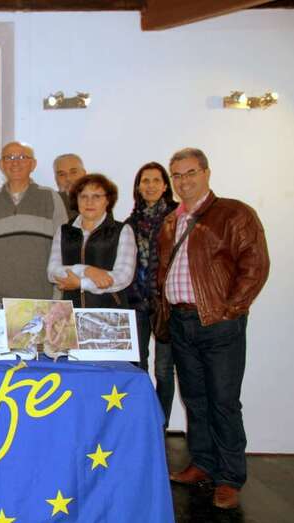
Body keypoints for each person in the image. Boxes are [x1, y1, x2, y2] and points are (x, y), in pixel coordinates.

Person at [160, 148, 269, 510]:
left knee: (223, 402)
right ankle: (203, 463)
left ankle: (229, 477)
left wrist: (231, 310)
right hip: (181, 322)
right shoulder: (172, 220)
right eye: (176, 175)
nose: (183, 181)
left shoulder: (234, 213)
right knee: (195, 400)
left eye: (190, 173)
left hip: (218, 322)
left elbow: (255, 264)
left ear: (206, 173)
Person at [0, 141, 68, 308]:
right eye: (9, 158)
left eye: (22, 157)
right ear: (1, 164)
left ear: (33, 164)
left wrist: (58, 296)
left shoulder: (50, 198)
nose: (15, 162)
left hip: (42, 300)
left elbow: (64, 249)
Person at [125, 162, 178, 427]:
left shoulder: (178, 218)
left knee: (164, 370)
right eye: (145, 181)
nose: (150, 186)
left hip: (166, 305)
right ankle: (140, 424)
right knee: (138, 367)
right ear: (137, 187)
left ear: (166, 186)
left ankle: (161, 424)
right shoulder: (130, 224)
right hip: (136, 304)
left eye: (156, 180)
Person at [47, 173, 136, 308]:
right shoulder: (63, 231)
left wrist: (81, 284)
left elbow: (123, 276)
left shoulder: (122, 230)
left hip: (110, 313)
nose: (89, 202)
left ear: (107, 200)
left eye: (96, 196)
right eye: (83, 196)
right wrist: (86, 270)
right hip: (70, 312)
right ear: (76, 200)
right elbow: (53, 272)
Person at [54, 153, 86, 220]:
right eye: (62, 174)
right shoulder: (49, 203)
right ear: (56, 179)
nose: (68, 179)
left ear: (84, 174)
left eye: (73, 172)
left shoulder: (99, 202)